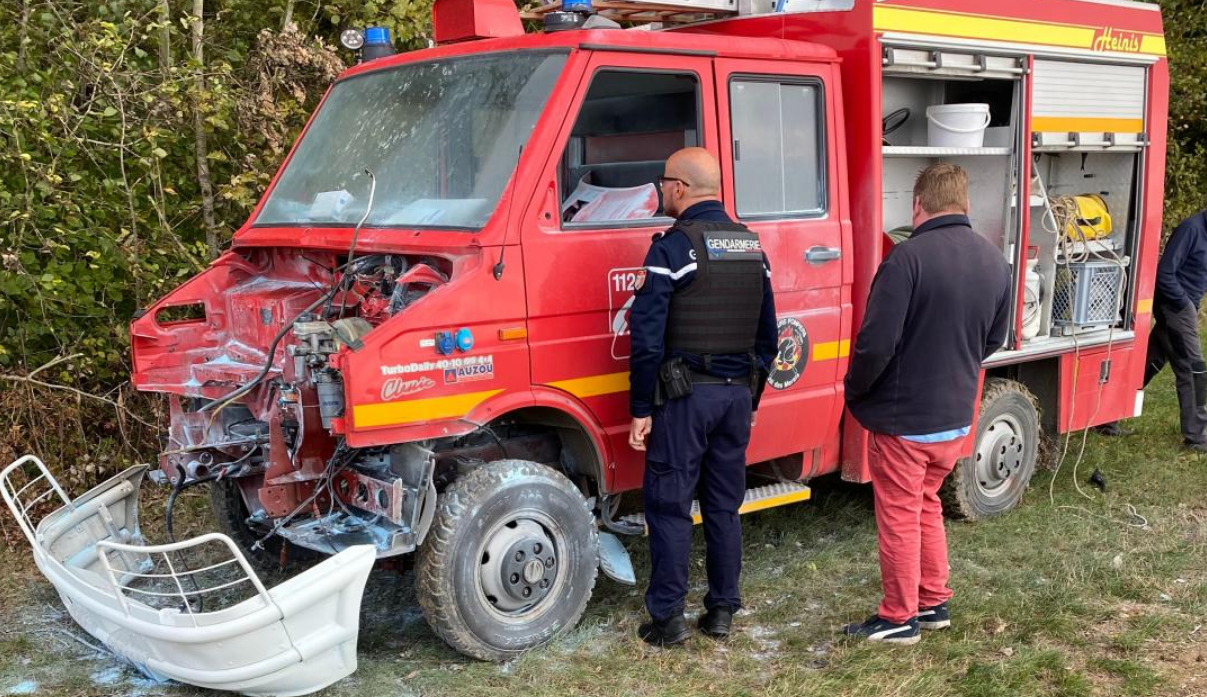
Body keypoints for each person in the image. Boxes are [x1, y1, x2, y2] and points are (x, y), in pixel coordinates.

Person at [842, 163, 1011, 645]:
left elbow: (876, 345)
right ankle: (933, 601)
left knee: (899, 513)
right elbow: (992, 339)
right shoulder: (994, 260)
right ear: (965, 204)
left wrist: (855, 391)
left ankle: (899, 618)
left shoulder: (906, 259)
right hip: (955, 416)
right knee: (925, 505)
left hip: (904, 420)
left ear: (918, 205)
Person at [627, 147, 778, 646]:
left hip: (684, 399)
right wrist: (748, 398)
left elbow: (646, 339)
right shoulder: (752, 248)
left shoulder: (670, 249)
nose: (662, 190)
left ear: (681, 188)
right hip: (735, 399)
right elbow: (769, 338)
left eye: (664, 182)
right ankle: (721, 613)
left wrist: (641, 409)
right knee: (722, 506)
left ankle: (667, 620)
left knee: (669, 506)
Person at [1100, 211, 1207, 451]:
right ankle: (1198, 437)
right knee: (1193, 369)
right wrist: (1184, 304)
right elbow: (1164, 273)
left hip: (1184, 306)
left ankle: (1107, 416)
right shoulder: (1191, 229)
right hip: (1174, 306)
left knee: (1150, 361)